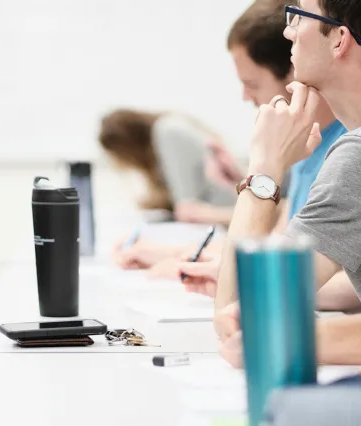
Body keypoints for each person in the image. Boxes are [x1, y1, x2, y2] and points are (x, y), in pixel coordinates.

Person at [112, 0, 349, 279]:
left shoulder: (344, 149)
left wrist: (260, 172)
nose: (245, 97)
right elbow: (279, 245)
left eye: (252, 84)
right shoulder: (306, 142)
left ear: (293, 68)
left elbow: (319, 274)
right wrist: (184, 256)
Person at [215, 0, 361, 367]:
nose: (287, 30)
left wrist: (265, 168)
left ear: (339, 39)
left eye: (299, 16)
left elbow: (241, 312)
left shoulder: (356, 156)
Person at [99, 109, 238, 225]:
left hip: (228, 216)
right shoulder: (166, 129)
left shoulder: (167, 131)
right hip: (226, 216)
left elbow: (186, 209)